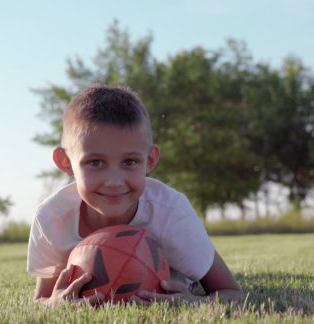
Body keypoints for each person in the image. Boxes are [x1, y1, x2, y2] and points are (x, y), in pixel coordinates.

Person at [27, 85, 244, 306]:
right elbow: (43, 299)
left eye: (130, 162)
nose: (113, 181)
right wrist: (55, 303)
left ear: (150, 160)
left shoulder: (171, 213)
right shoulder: (51, 217)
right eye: (95, 162)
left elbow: (232, 292)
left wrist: (196, 302)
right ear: (65, 162)